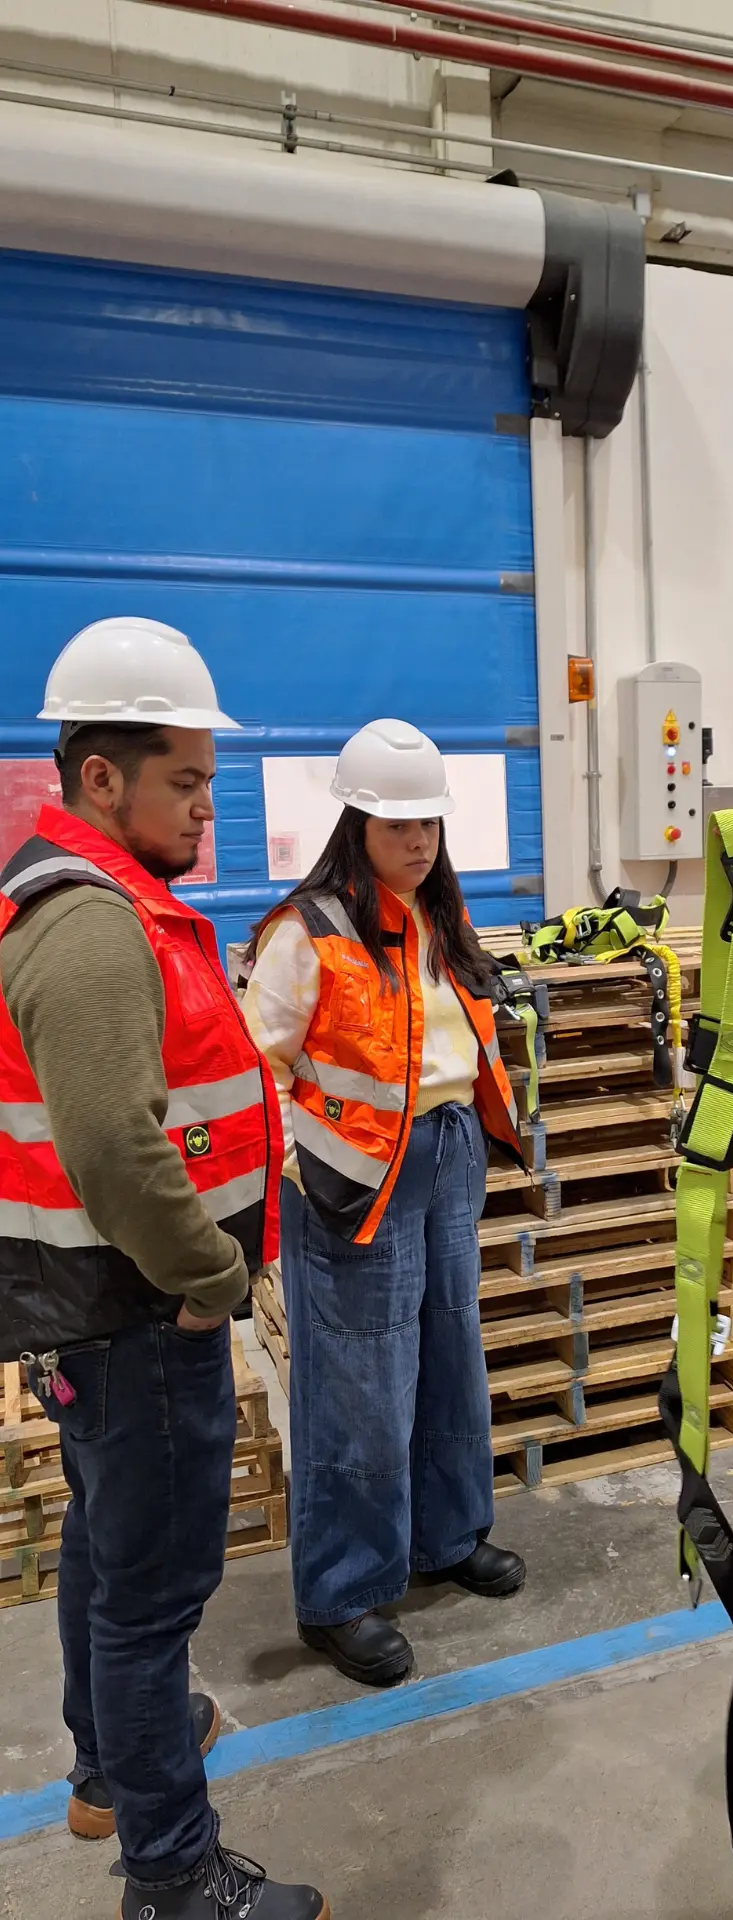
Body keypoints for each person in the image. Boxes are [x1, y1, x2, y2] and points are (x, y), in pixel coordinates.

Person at [0, 617, 328, 1920]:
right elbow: (117, 1151)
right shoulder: (88, 926)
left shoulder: (104, 899)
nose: (207, 805)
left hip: (113, 1314)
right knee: (154, 1597)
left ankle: (105, 1765)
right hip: (139, 1316)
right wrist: (208, 1279)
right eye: (184, 782)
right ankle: (175, 1877)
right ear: (99, 780)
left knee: (108, 1550)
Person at [243, 719, 526, 1687]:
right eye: (398, 823)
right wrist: (300, 1165)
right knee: (359, 1390)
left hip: (447, 1160)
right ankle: (344, 1592)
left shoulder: (440, 921)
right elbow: (258, 1069)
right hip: (354, 1181)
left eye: (429, 825)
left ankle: (447, 1536)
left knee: (449, 1358)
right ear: (357, 822)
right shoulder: (307, 931)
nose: (418, 841)